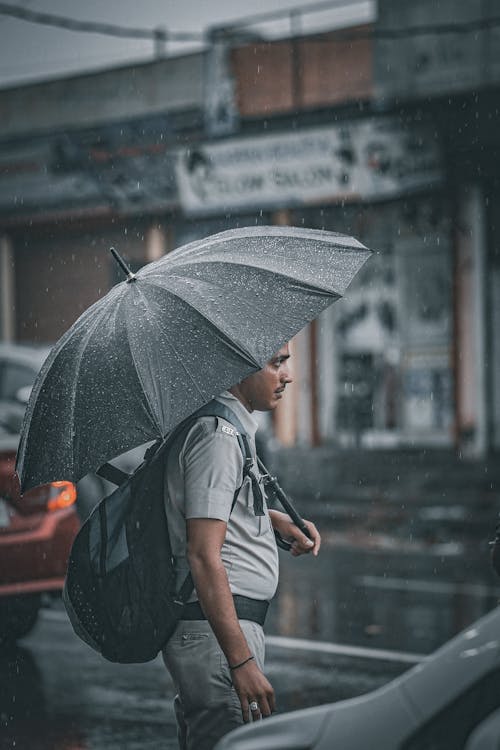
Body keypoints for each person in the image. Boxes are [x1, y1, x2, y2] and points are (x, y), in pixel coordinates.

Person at [162, 342, 321, 750]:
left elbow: (211, 516)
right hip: (219, 638)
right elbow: (202, 553)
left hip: (220, 633)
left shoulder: (227, 431)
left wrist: (273, 520)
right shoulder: (217, 437)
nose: (287, 375)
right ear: (238, 367)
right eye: (276, 363)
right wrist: (241, 661)